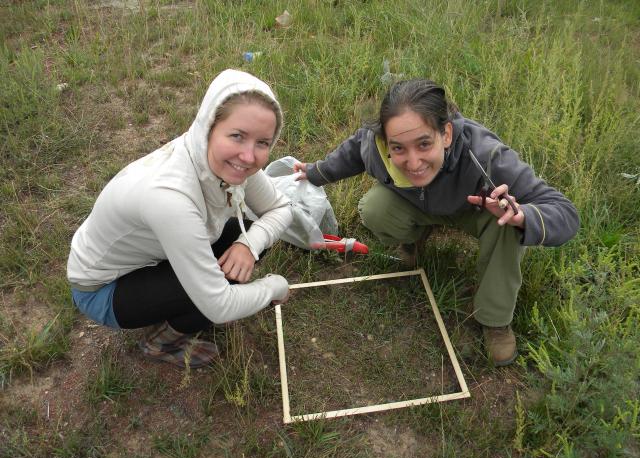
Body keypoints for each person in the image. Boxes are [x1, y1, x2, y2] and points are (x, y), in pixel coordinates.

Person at [294, 79, 579, 366]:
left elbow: (565, 213)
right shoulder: (376, 144)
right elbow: (353, 152)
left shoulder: (487, 156)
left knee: (508, 224)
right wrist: (315, 172)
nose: (414, 161)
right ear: (385, 141)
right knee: (374, 208)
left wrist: (523, 216)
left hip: (477, 210)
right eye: (399, 149)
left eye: (424, 144)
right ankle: (417, 236)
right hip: (418, 205)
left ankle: (494, 320)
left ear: (446, 134)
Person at [67, 69, 293, 368]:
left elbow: (281, 208)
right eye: (237, 136)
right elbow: (220, 306)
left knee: (249, 237)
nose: (249, 157)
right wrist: (274, 286)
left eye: (263, 143)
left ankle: (177, 304)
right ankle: (161, 343)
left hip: (147, 257)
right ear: (209, 126)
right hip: (102, 290)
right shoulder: (170, 198)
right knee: (219, 282)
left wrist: (248, 245)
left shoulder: (226, 161)